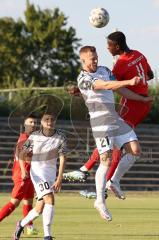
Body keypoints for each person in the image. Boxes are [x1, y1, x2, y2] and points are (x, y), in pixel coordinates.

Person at [63, 31, 153, 199]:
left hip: (130, 105)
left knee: (115, 146)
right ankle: (102, 179)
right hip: (141, 103)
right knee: (123, 147)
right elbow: (150, 75)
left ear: (116, 46)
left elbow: (109, 85)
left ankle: (101, 184)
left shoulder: (119, 64)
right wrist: (141, 92)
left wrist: (130, 83)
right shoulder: (138, 55)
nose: (107, 48)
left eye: (109, 45)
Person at [13, 112, 67, 240]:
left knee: (39, 208)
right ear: (42, 123)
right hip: (37, 172)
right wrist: (23, 170)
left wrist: (59, 177)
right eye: (46, 120)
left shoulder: (61, 137)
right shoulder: (34, 137)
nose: (49, 122)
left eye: (52, 120)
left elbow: (63, 158)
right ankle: (47, 236)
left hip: (50, 173)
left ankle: (20, 224)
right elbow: (22, 154)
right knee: (50, 199)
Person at [0, 115, 38, 235]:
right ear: (25, 124)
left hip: (28, 174)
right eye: (30, 122)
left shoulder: (30, 138)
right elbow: (23, 156)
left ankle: (30, 228)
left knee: (28, 202)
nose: (33, 124)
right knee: (14, 202)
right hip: (23, 174)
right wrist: (23, 170)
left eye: (35, 122)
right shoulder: (24, 138)